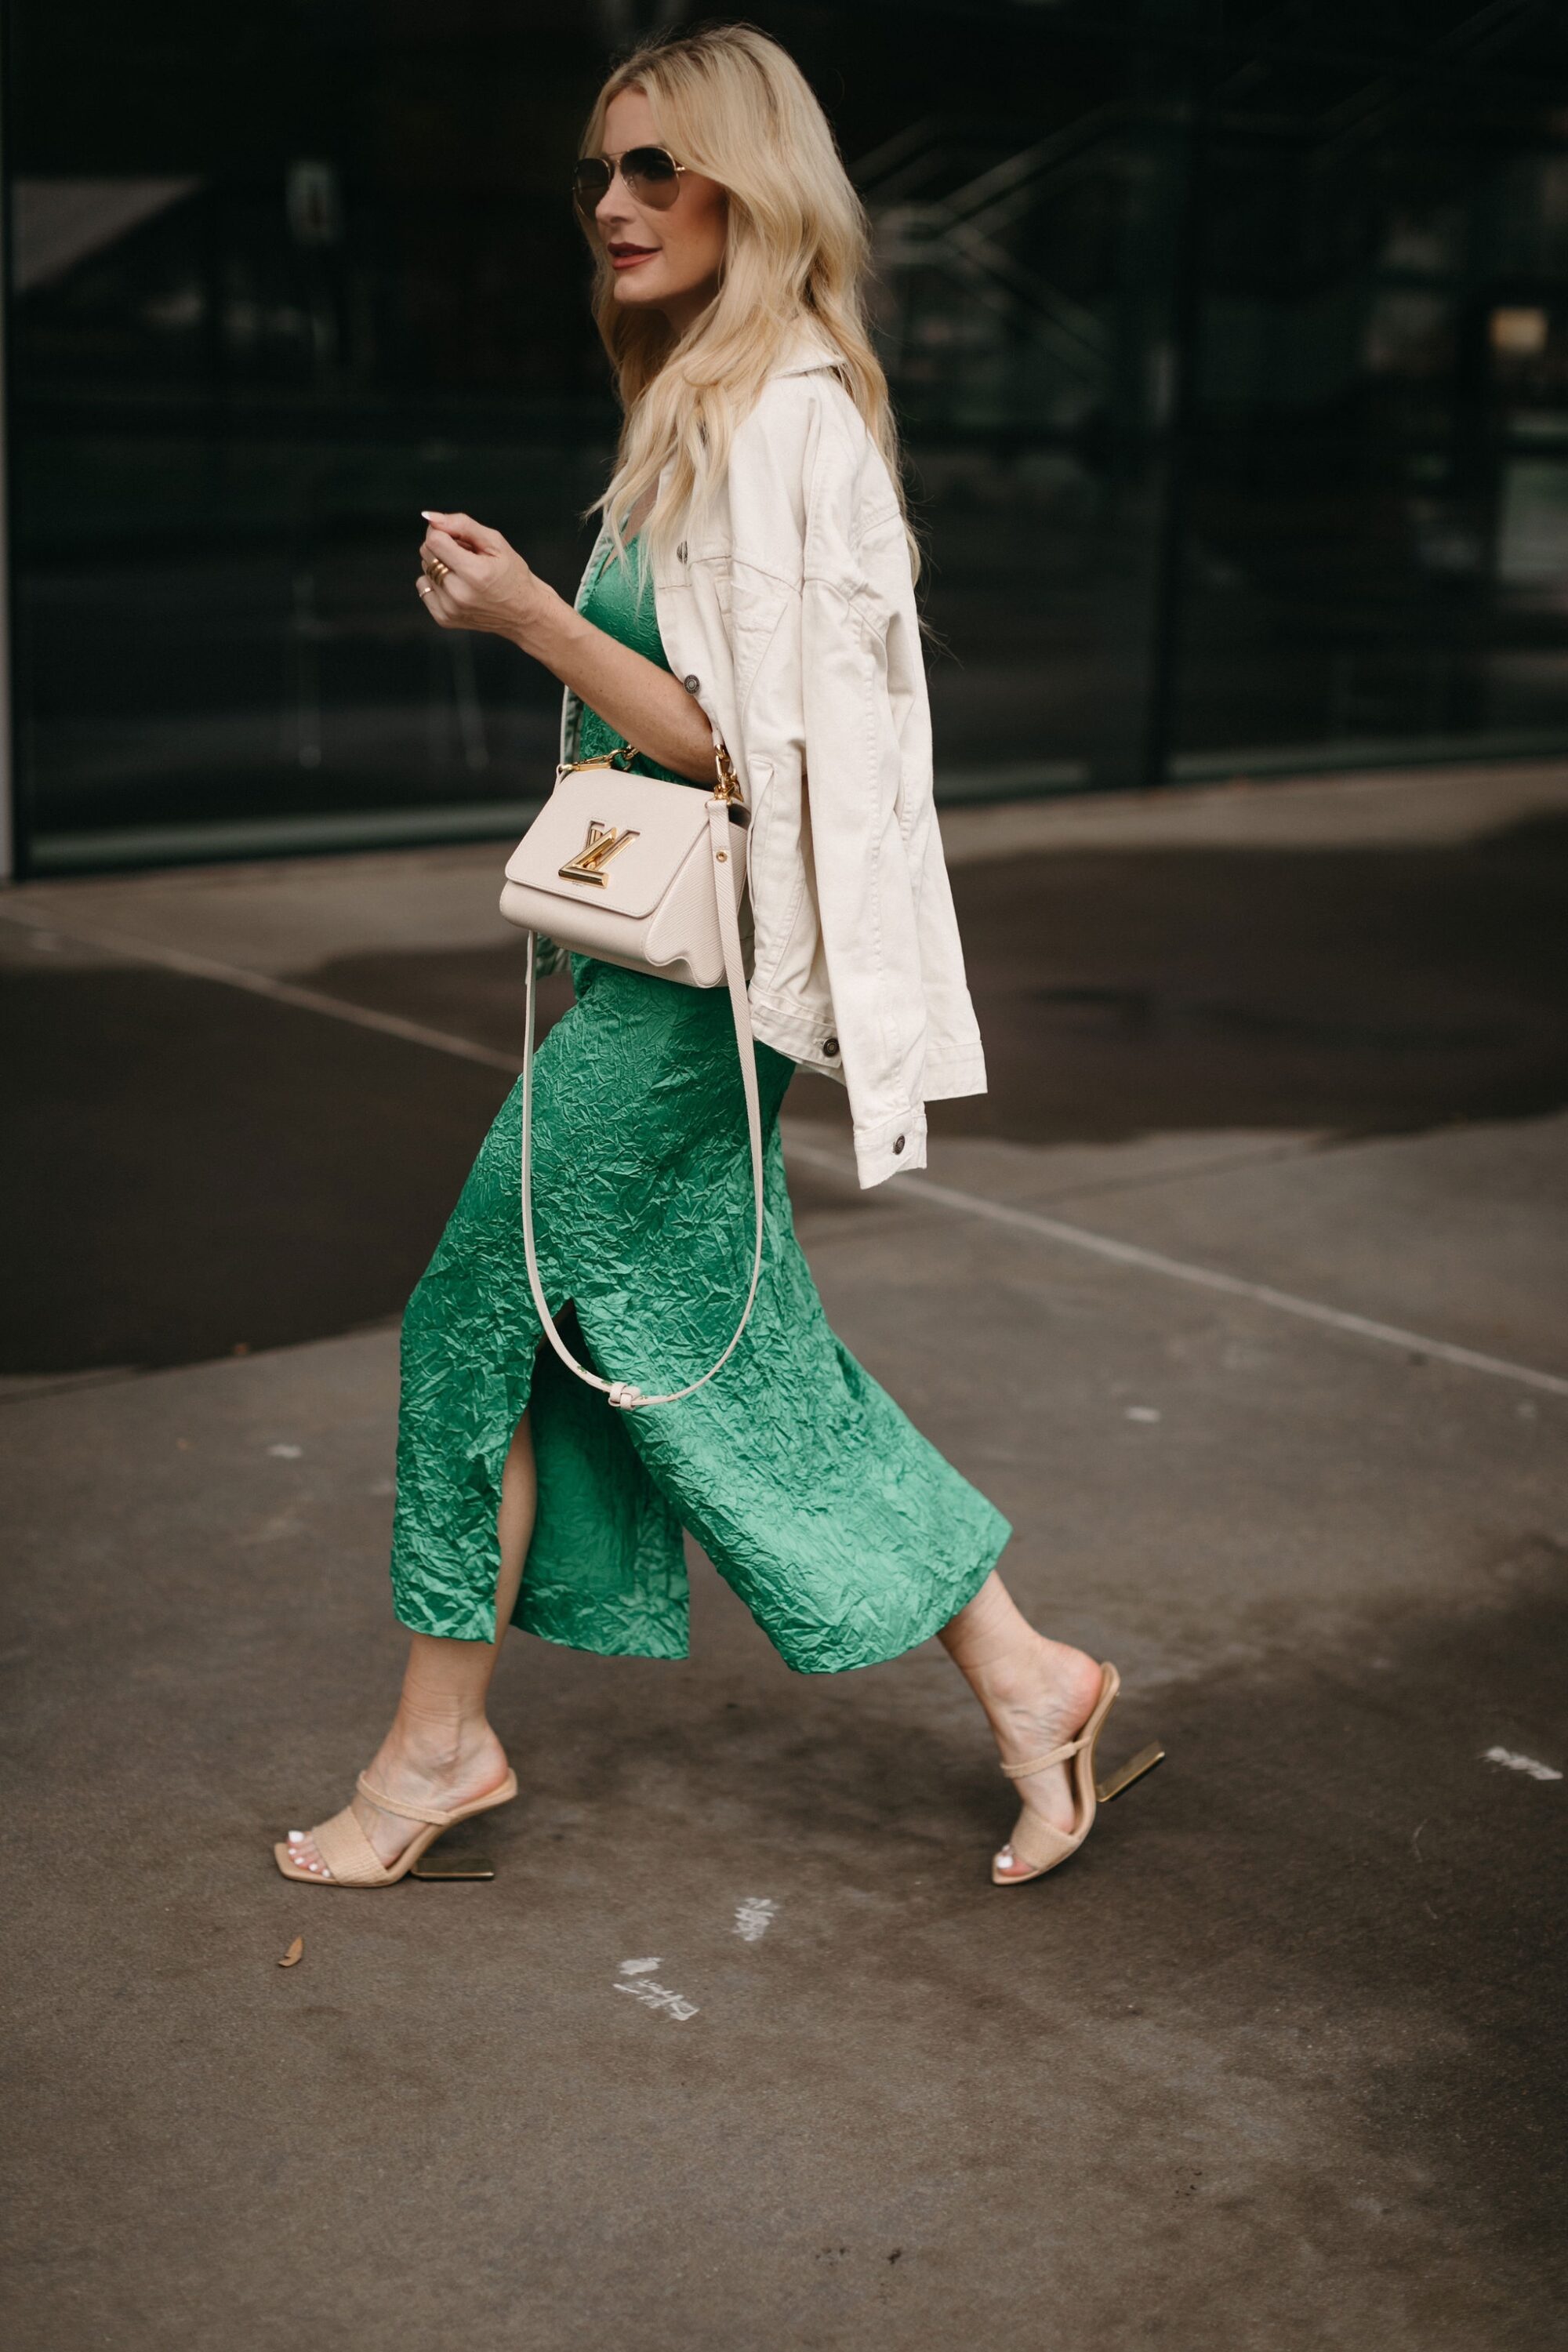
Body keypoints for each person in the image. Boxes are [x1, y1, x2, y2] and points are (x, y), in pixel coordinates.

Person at [275, 23, 1149, 1895]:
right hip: (663, 977)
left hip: (703, 999)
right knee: (695, 1348)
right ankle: (1029, 1675)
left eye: (655, 170)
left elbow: (745, 752)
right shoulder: (707, 396)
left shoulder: (783, 415)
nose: (613, 203)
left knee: (470, 1314)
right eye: (600, 172)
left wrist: (525, 617)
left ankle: (436, 1747)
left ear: (750, 183)